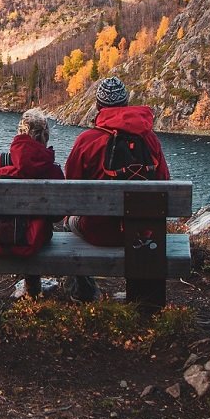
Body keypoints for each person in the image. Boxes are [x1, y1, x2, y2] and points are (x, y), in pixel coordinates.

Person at [62, 76, 171, 300]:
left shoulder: (87, 141)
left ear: (98, 106)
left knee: (67, 223)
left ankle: (84, 293)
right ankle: (141, 298)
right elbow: (164, 181)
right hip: (143, 235)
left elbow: (70, 190)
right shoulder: (149, 139)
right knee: (143, 221)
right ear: (126, 104)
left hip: (97, 231)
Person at [0, 108, 64, 297]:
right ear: (45, 136)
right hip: (34, 241)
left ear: (19, 133)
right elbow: (57, 216)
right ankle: (35, 288)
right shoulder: (51, 170)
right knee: (37, 226)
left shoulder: (1, 162)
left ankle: (31, 288)